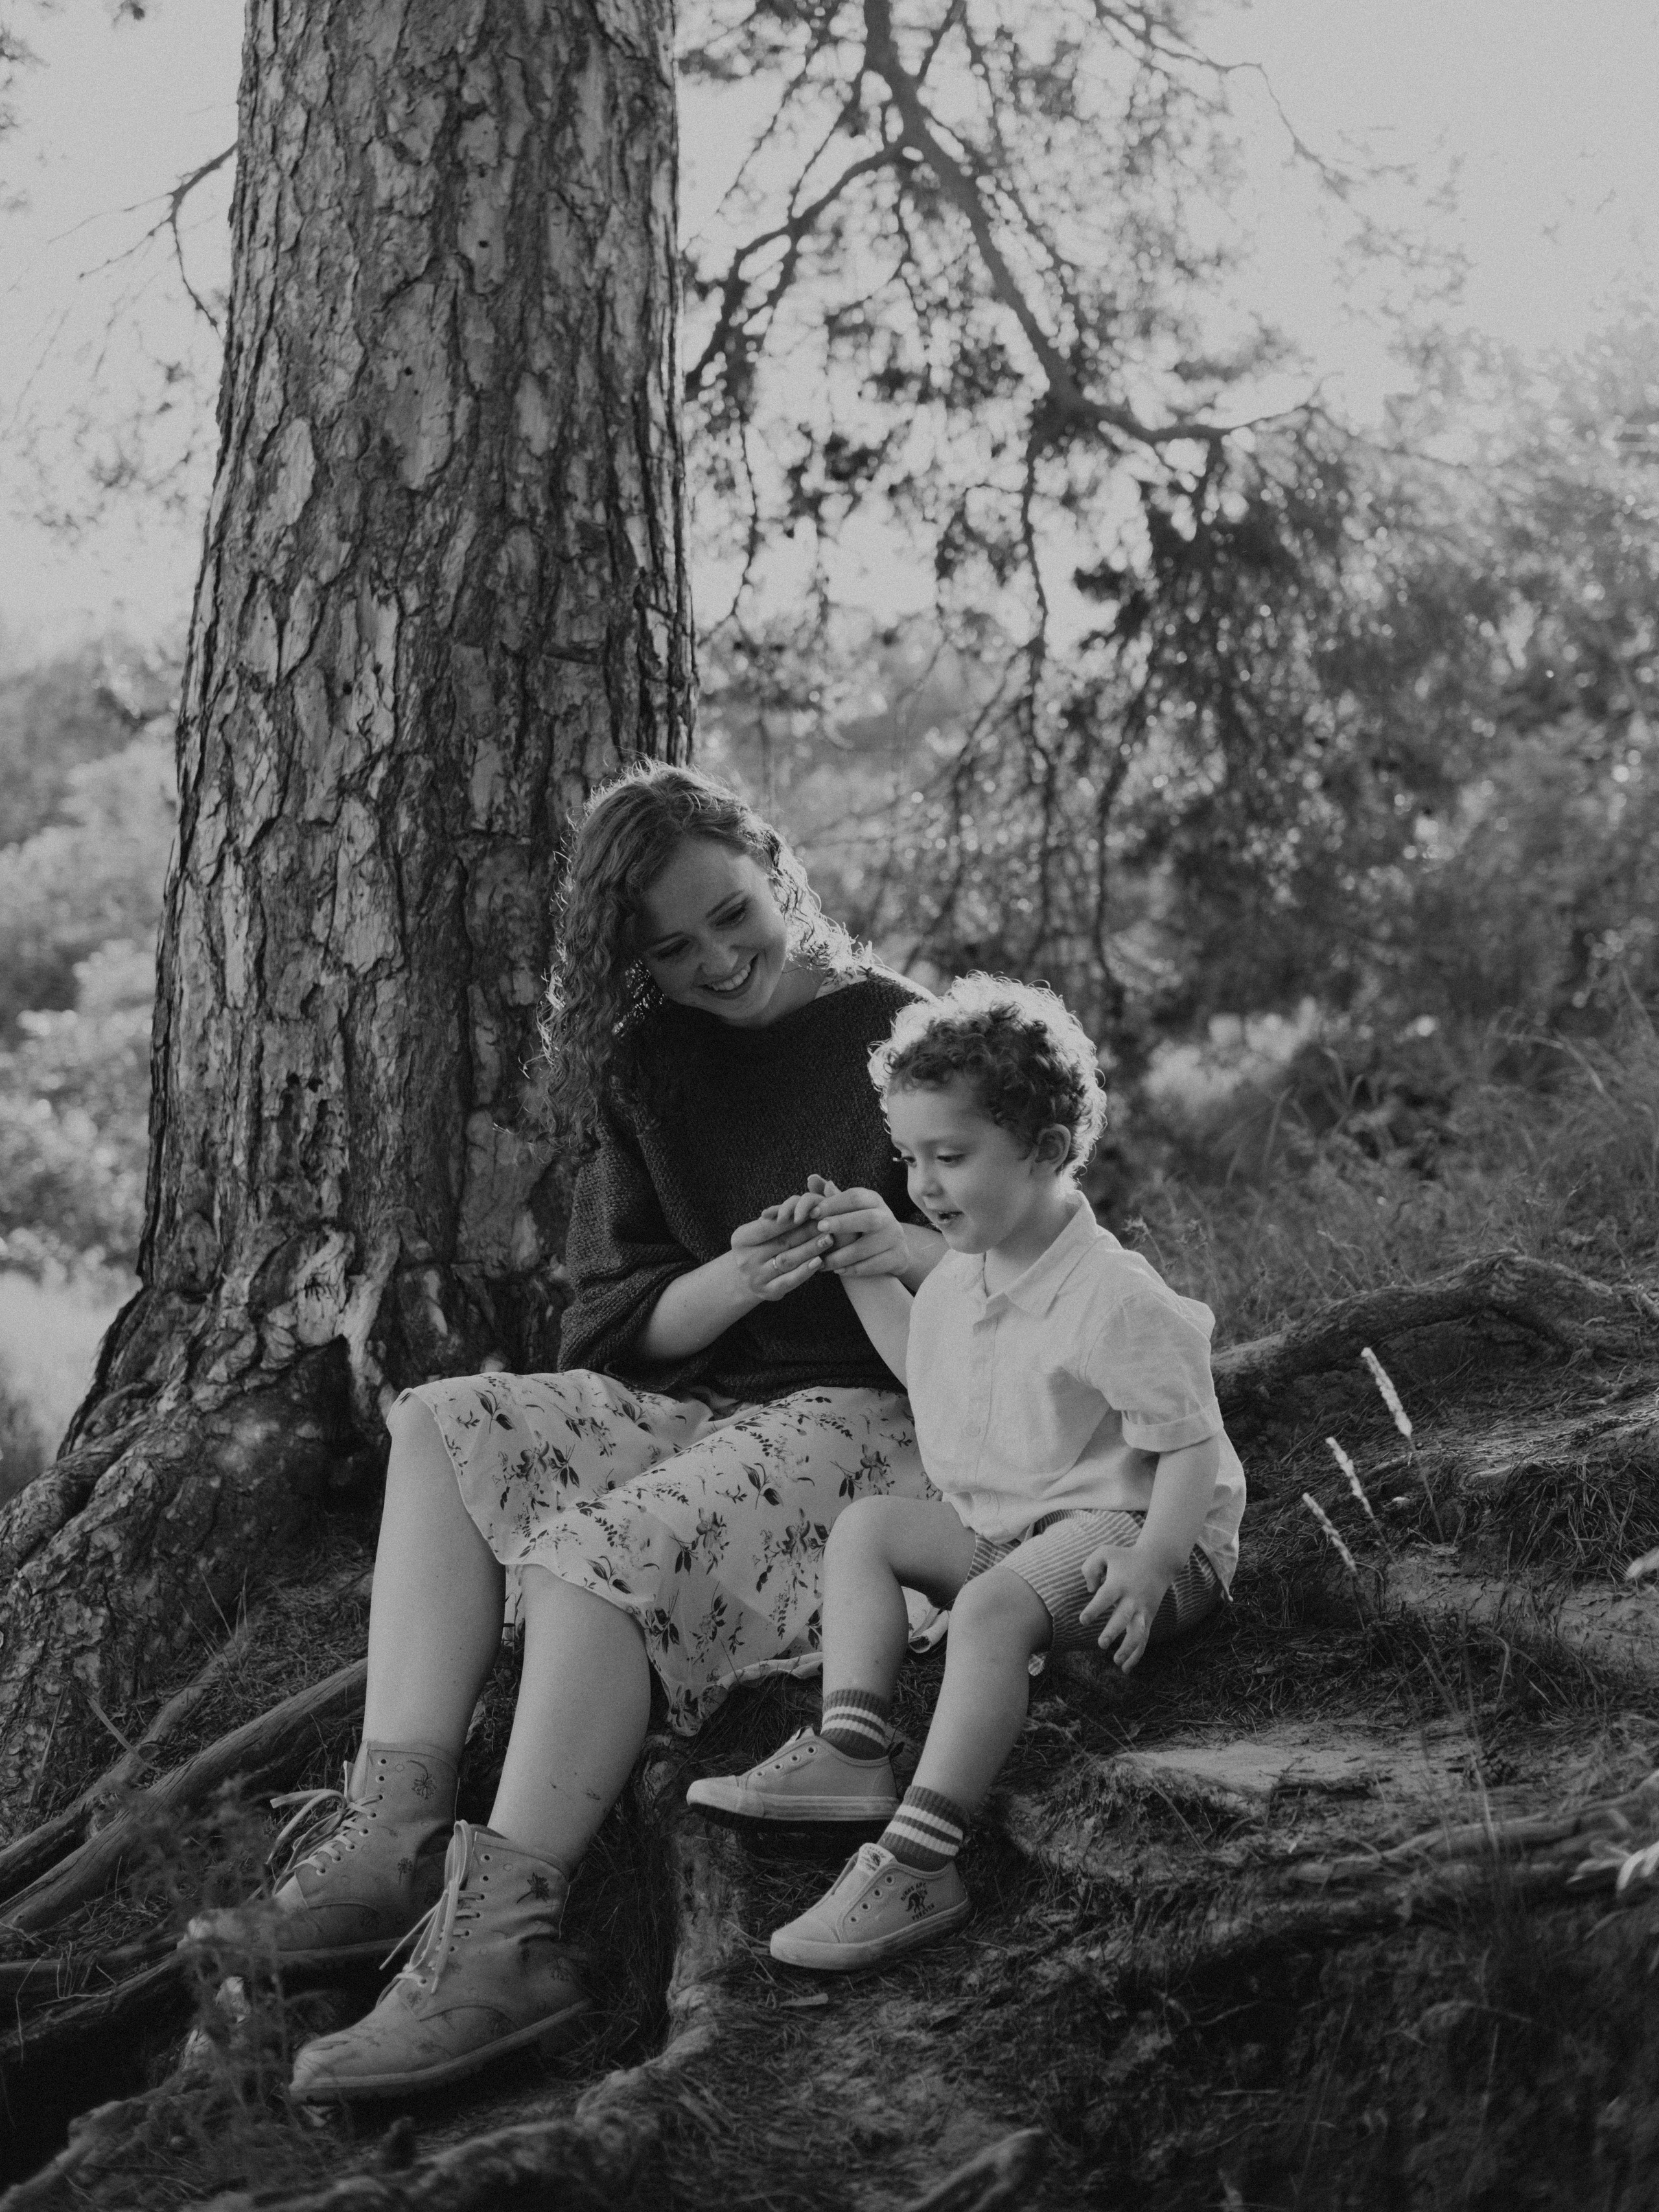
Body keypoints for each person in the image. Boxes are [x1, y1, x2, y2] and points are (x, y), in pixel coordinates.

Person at [189, 763, 944, 2097]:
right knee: (440, 1422)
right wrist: (741, 1276)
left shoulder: (903, 1037)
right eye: (670, 947)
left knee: (593, 1549)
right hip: (704, 1405)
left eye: (731, 914)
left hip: (873, 1429)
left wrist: (885, 1242)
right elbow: (607, 1322)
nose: (716, 959)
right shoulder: (649, 1063)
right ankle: (392, 1840)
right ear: (630, 960)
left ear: (773, 866)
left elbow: (1021, 1253)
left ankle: (505, 1945)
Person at [688, 975, 1246, 1970]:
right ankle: (854, 1747)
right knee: (869, 1528)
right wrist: (853, 1262)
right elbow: (923, 1368)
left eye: (950, 1156)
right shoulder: (962, 1272)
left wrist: (1160, 1557)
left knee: (989, 1607)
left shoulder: (1111, 1297)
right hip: (1019, 1536)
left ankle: (920, 1855)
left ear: (1044, 1150)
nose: (924, 1185)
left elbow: (1192, 1440)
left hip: (1140, 1529)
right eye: (910, 1157)